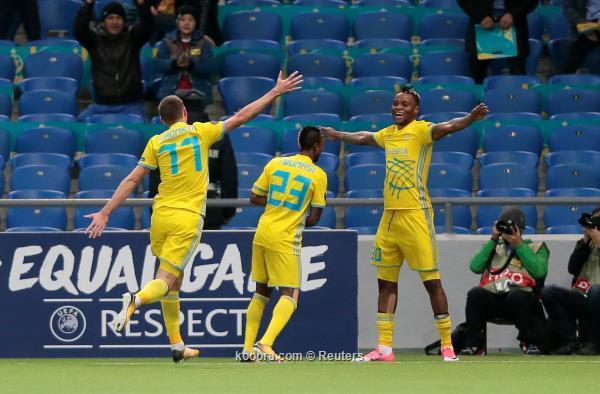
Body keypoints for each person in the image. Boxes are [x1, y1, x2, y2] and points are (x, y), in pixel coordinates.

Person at [84, 70, 303, 362]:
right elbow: (242, 116)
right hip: (187, 219)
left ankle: (177, 344)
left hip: (160, 217)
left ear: (162, 120)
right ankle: (136, 299)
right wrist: (274, 93)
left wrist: (105, 212)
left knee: (176, 280)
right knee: (165, 278)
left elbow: (131, 181)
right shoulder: (200, 131)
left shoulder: (157, 143)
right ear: (185, 113)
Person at [320, 89, 489, 362]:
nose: (398, 107)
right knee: (385, 283)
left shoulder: (423, 131)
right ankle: (384, 347)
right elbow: (363, 137)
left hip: (416, 216)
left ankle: (447, 345)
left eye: (404, 104)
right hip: (389, 219)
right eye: (395, 103)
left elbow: (450, 126)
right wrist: (337, 135)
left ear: (415, 110)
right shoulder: (388, 134)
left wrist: (471, 117)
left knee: (432, 282)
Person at [241, 125, 327, 362]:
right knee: (290, 295)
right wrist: (295, 214)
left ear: (300, 143)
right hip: (286, 238)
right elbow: (315, 217)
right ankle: (265, 344)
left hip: (262, 233)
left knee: (261, 292)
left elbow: (254, 197)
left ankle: (247, 350)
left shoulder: (275, 163)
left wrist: (278, 205)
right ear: (318, 146)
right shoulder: (317, 175)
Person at [460, 207, 550, 355]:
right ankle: (475, 344)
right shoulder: (494, 246)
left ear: (521, 229)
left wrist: (519, 245)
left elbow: (540, 271)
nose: (508, 232)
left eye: (512, 228)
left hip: (523, 300)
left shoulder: (536, 247)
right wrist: (493, 239)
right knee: (475, 293)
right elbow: (475, 266)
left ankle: (529, 342)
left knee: (517, 295)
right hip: (494, 299)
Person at [74, 0, 153, 121]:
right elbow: (79, 30)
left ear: (124, 21)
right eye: (110, 18)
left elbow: (148, 26)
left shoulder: (133, 39)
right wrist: (88, 5)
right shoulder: (94, 41)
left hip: (131, 105)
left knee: (142, 124)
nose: (114, 22)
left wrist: (142, 4)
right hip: (101, 105)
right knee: (79, 123)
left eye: (118, 18)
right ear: (103, 21)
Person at [148, 133, 238, 230]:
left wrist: (155, 211)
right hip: (207, 211)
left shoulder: (162, 140)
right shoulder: (218, 136)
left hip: (173, 211)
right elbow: (229, 177)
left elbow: (156, 182)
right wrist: (229, 211)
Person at [541, 207, 600, 355]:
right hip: (583, 296)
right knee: (548, 291)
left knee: (595, 290)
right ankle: (570, 342)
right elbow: (572, 268)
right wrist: (586, 241)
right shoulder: (586, 243)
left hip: (597, 296)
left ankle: (594, 343)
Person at [457, 0, 538, 84]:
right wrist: (481, 16)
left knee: (518, 77)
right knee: (477, 78)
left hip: (515, 27)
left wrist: (513, 14)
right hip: (481, 27)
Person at [155, 5, 215, 104]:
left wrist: (191, 65)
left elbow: (209, 68)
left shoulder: (203, 43)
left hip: (197, 94)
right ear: (177, 22)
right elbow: (159, 65)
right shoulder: (167, 41)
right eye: (183, 19)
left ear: (196, 23)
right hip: (170, 92)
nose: (186, 23)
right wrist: (175, 64)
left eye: (191, 20)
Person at [560, 0, 600, 74]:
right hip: (584, 25)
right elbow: (568, 9)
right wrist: (586, 26)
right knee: (579, 43)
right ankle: (564, 79)